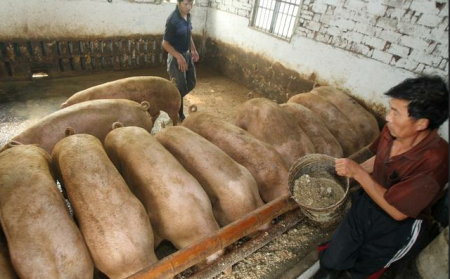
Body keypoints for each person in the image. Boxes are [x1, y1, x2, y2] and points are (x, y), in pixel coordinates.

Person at [314, 76, 449, 279]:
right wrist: (351, 173)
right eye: (390, 109)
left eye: (396, 112)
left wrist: (358, 173)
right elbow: (379, 159)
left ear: (421, 123)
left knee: (363, 271)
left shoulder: (435, 162)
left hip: (395, 229)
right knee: (333, 259)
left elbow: (398, 212)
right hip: (367, 204)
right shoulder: (391, 130)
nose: (387, 117)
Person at [162, 0, 199, 123]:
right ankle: (179, 115)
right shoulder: (172, 19)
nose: (189, 7)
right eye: (185, 4)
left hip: (187, 55)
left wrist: (193, 49)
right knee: (179, 88)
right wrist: (178, 56)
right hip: (175, 57)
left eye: (191, 4)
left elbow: (189, 33)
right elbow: (165, 44)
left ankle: (171, 97)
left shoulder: (187, 15)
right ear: (178, 3)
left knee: (191, 82)